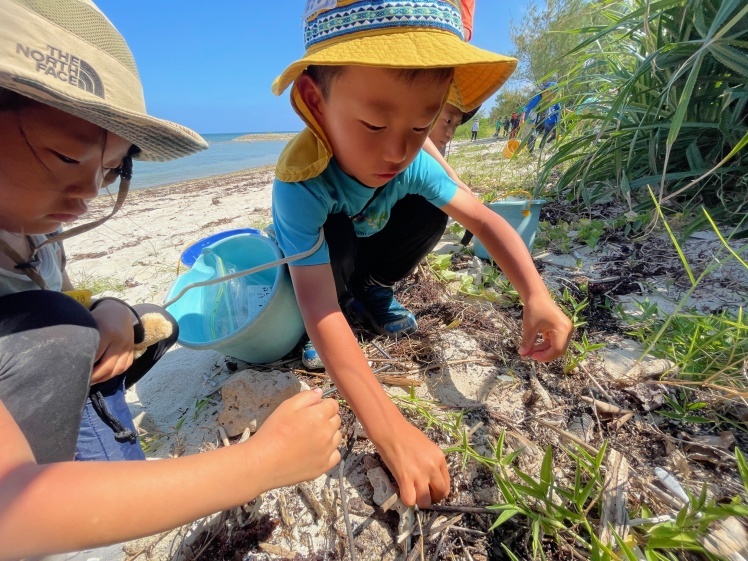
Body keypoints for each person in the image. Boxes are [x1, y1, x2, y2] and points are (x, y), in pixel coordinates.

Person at [0, 1, 341, 558]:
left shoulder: (29, 232)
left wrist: (109, 310)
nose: (88, 194)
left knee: (136, 325)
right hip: (22, 503)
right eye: (66, 158)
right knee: (56, 323)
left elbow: (39, 301)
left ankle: (105, 491)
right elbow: (8, 507)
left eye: (109, 172)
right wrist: (258, 464)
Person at [270, 0, 574, 509]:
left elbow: (484, 219)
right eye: (373, 125)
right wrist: (392, 431)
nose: (396, 151)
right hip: (324, 266)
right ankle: (353, 304)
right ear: (315, 101)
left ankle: (374, 290)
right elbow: (315, 305)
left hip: (374, 248)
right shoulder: (300, 183)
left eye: (421, 126)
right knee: (335, 243)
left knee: (438, 207)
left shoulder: (410, 162)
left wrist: (535, 292)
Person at [521, 81, 561, 153]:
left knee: (533, 137)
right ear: (547, 91)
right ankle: (521, 150)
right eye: (551, 96)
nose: (551, 98)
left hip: (533, 121)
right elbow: (526, 108)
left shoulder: (541, 99)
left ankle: (529, 152)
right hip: (527, 121)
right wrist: (522, 119)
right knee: (527, 137)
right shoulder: (536, 98)